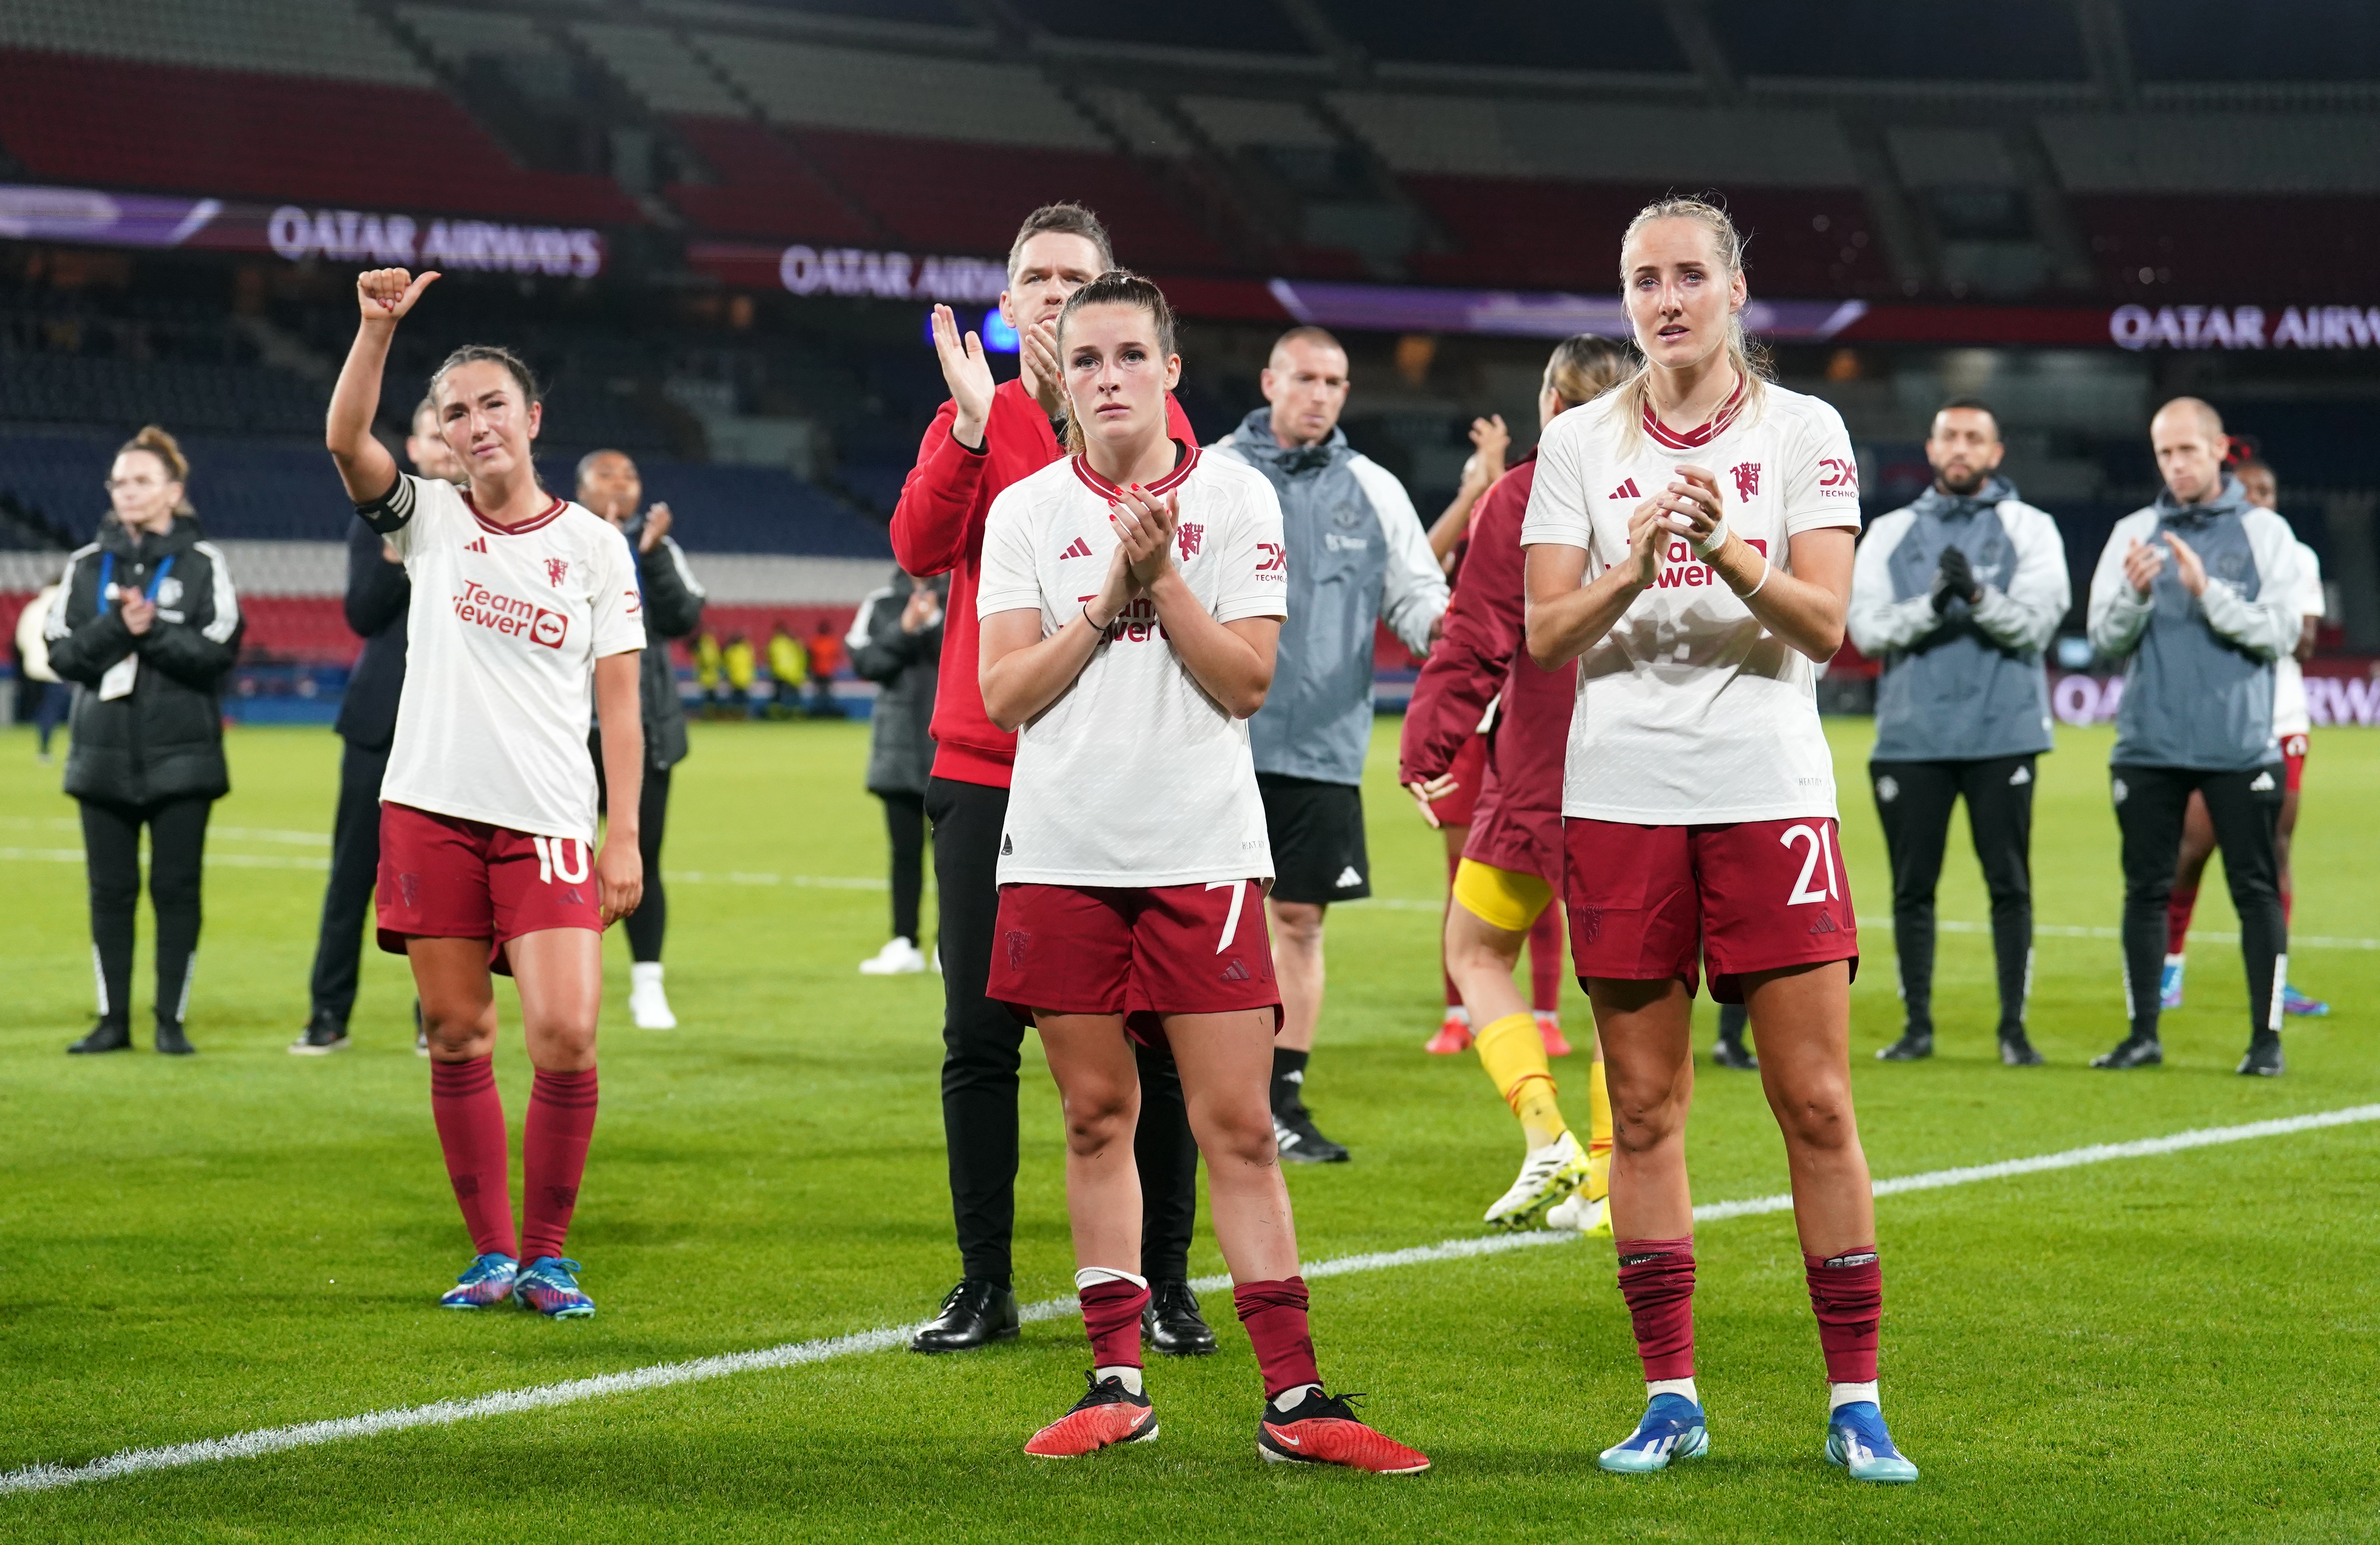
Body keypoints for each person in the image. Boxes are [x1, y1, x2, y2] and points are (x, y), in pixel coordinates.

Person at [979, 268, 1427, 1472]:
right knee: (1094, 1114)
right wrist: (1110, 592)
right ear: (1062, 381)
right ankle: (1115, 1377)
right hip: (1062, 852)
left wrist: (1161, 572)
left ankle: (1296, 1396)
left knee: (1233, 1122)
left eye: (1131, 355)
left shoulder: (1232, 500)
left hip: (1204, 853)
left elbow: (1245, 681)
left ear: (1171, 371)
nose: (1110, 376)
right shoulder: (1023, 510)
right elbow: (1005, 691)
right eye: (1087, 360)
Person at [1522, 197, 1918, 1484]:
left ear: (1737, 289)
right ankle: (1669, 1392)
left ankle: (1853, 1397)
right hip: (1622, 799)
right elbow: (1543, 631)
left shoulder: (1805, 429)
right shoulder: (1578, 442)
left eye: (1690, 274)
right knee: (1642, 1107)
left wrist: (1725, 546)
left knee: (1813, 1097)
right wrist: (1637, 565)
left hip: (1768, 791)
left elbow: (1822, 623)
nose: (1666, 297)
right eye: (1644, 278)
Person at [892, 203, 1210, 1357]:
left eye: (1075, 277)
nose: (1052, 294)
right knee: (978, 1034)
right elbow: (918, 548)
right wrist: (973, 431)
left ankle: (1165, 1281)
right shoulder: (971, 419)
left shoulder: (1151, 420)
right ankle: (985, 1282)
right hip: (985, 763)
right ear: (1013, 297)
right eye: (1035, 278)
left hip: (1119, 763)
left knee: (1157, 1039)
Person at [327, 265, 646, 1317]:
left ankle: (550, 1253)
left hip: (551, 819)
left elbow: (620, 708)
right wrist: (376, 332)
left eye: (491, 404)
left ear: (532, 416)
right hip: (428, 809)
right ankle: (493, 1252)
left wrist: (625, 836)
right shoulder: (427, 519)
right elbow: (346, 440)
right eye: (456, 412)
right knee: (459, 1032)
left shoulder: (595, 547)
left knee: (566, 1033)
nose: (475, 424)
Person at [1400, 333, 1629, 1232]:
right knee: (1624, 981)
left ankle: (1547, 1137)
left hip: (1543, 766)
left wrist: (1428, 742)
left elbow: (1477, 635)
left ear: (1550, 402)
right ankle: (1608, 1176)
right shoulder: (1668, 486)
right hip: (1652, 776)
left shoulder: (1524, 493)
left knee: (1475, 950)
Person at [1212, 327, 1449, 1163]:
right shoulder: (1210, 474)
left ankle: (1280, 1100)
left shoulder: (1372, 489)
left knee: (1301, 925)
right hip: (1212, 744)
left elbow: (1418, 600)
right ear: (1270, 378)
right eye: (1306, 378)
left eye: (1336, 382)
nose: (1321, 394)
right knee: (1200, 925)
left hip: (1321, 750)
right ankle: (1189, 1095)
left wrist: (1450, 636)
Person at [1847, 398, 2069, 1066]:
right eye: (1950, 437)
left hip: (2001, 732)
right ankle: (1917, 1026)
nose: (1961, 448)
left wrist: (1976, 598)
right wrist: (1932, 605)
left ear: (1996, 453)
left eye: (1974, 438)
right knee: (1911, 888)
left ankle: (2012, 1029)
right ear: (1931, 448)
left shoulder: (2030, 527)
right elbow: (1864, 628)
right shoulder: (1887, 532)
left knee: (2009, 883)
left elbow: (2036, 623)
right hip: (1911, 735)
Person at [2085, 399, 2303, 1076]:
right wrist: (2135, 596)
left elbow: (2280, 633)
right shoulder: (2133, 530)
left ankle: (2264, 1042)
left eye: (2185, 451)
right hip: (2147, 745)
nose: (2173, 464)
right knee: (2143, 891)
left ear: (2217, 450)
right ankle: (2141, 1034)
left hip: (2238, 746)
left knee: (2254, 892)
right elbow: (2102, 639)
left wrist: (2207, 591)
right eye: (2162, 453)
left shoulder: (2265, 532)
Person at [47, 425, 243, 1057]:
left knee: (177, 889)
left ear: (173, 491)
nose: (127, 491)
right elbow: (61, 655)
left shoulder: (203, 563)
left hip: (183, 757)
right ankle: (112, 1021)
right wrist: (116, 627)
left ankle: (170, 1020)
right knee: (109, 892)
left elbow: (220, 652)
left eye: (141, 481)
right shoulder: (82, 565)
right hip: (101, 758)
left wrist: (150, 629)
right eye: (119, 481)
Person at [294, 397, 459, 1054]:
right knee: (351, 874)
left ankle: (438, 1015)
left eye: (452, 432)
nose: (443, 445)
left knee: (446, 881)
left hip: (455, 727)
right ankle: (327, 1014)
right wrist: (400, 553)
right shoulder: (374, 522)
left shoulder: (489, 525)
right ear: (411, 449)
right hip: (380, 723)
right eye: (430, 434)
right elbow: (361, 615)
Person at [2162, 454, 2327, 1018]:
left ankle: (2277, 981)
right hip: (2213, 719)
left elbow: (2302, 642)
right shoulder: (2202, 548)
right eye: (2248, 490)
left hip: (2281, 721)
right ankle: (2169, 965)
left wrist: (2232, 604)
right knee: (2191, 849)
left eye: (2268, 491)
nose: (2258, 499)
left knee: (2275, 851)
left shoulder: (2294, 556)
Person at [577, 450, 708, 1031]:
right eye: (606, 475)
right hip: (568, 730)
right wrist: (600, 550)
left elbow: (683, 618)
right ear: (580, 488)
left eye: (629, 476)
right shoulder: (560, 539)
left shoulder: (659, 546)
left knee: (641, 859)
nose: (619, 484)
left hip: (644, 728)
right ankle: (569, 978)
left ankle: (647, 985)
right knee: (560, 862)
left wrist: (649, 556)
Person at [848, 569, 944, 976]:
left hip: (949, 746)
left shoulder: (967, 595)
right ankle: (904, 940)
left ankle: (949, 946)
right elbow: (865, 663)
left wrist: (935, 623)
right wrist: (905, 629)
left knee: (953, 859)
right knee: (903, 853)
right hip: (899, 748)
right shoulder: (881, 602)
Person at [805, 618, 845, 718]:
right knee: (824, 694)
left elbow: (810, 658)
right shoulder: (829, 642)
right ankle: (824, 712)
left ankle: (822, 712)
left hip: (822, 672)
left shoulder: (817, 642)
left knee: (822, 694)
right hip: (823, 672)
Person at [766, 622, 806, 719]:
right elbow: (802, 656)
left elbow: (770, 657)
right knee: (794, 697)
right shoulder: (793, 642)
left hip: (780, 674)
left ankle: (776, 716)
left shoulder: (775, 643)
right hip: (794, 674)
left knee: (778, 697)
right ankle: (795, 716)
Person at [722, 631, 755, 717]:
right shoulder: (746, 650)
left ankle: (734, 716)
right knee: (744, 700)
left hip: (734, 679)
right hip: (745, 678)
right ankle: (746, 716)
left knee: (735, 700)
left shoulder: (731, 651)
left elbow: (725, 662)